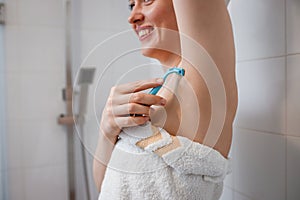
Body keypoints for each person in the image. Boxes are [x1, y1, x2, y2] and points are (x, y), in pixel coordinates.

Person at [93, 0, 238, 199]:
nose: (132, 16)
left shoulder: (196, 88)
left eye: (147, 1)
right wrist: (107, 130)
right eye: (131, 5)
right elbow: (104, 186)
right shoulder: (160, 90)